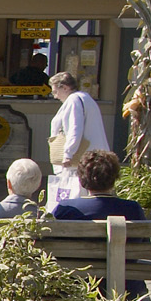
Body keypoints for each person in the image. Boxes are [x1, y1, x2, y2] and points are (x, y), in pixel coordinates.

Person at [51, 149, 150, 299]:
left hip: (75, 285)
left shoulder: (65, 209)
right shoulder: (133, 209)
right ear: (115, 177)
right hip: (125, 286)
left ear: (82, 179)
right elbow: (144, 245)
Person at [46, 70, 108, 209]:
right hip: (92, 156)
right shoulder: (85, 98)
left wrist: (68, 154)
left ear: (65, 87)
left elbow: (74, 129)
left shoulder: (74, 100)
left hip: (79, 158)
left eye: (55, 91)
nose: (55, 96)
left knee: (76, 192)